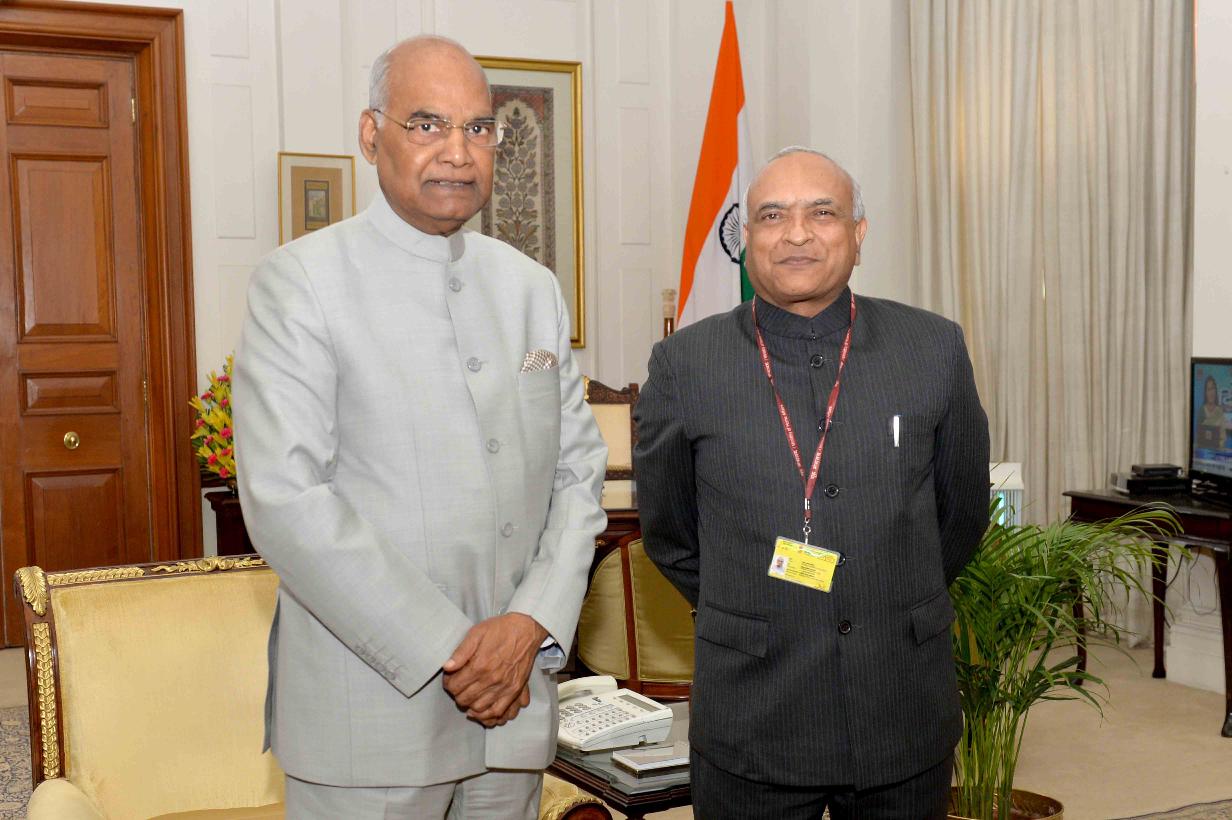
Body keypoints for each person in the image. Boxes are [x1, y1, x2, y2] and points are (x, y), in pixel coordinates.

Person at [233, 35, 607, 819]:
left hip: (512, 712)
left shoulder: (531, 289)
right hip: (369, 722)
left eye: (479, 128)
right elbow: (287, 502)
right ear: (372, 135)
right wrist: (459, 652)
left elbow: (577, 476)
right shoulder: (300, 283)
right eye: (428, 124)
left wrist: (529, 625)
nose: (457, 153)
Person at [633, 147, 990, 819]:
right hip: (754, 713)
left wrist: (884, 590)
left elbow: (962, 512)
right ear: (746, 240)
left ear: (858, 232)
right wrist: (756, 604)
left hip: (901, 704)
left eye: (821, 213)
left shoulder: (932, 348)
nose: (796, 234)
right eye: (773, 216)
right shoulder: (686, 364)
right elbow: (671, 533)